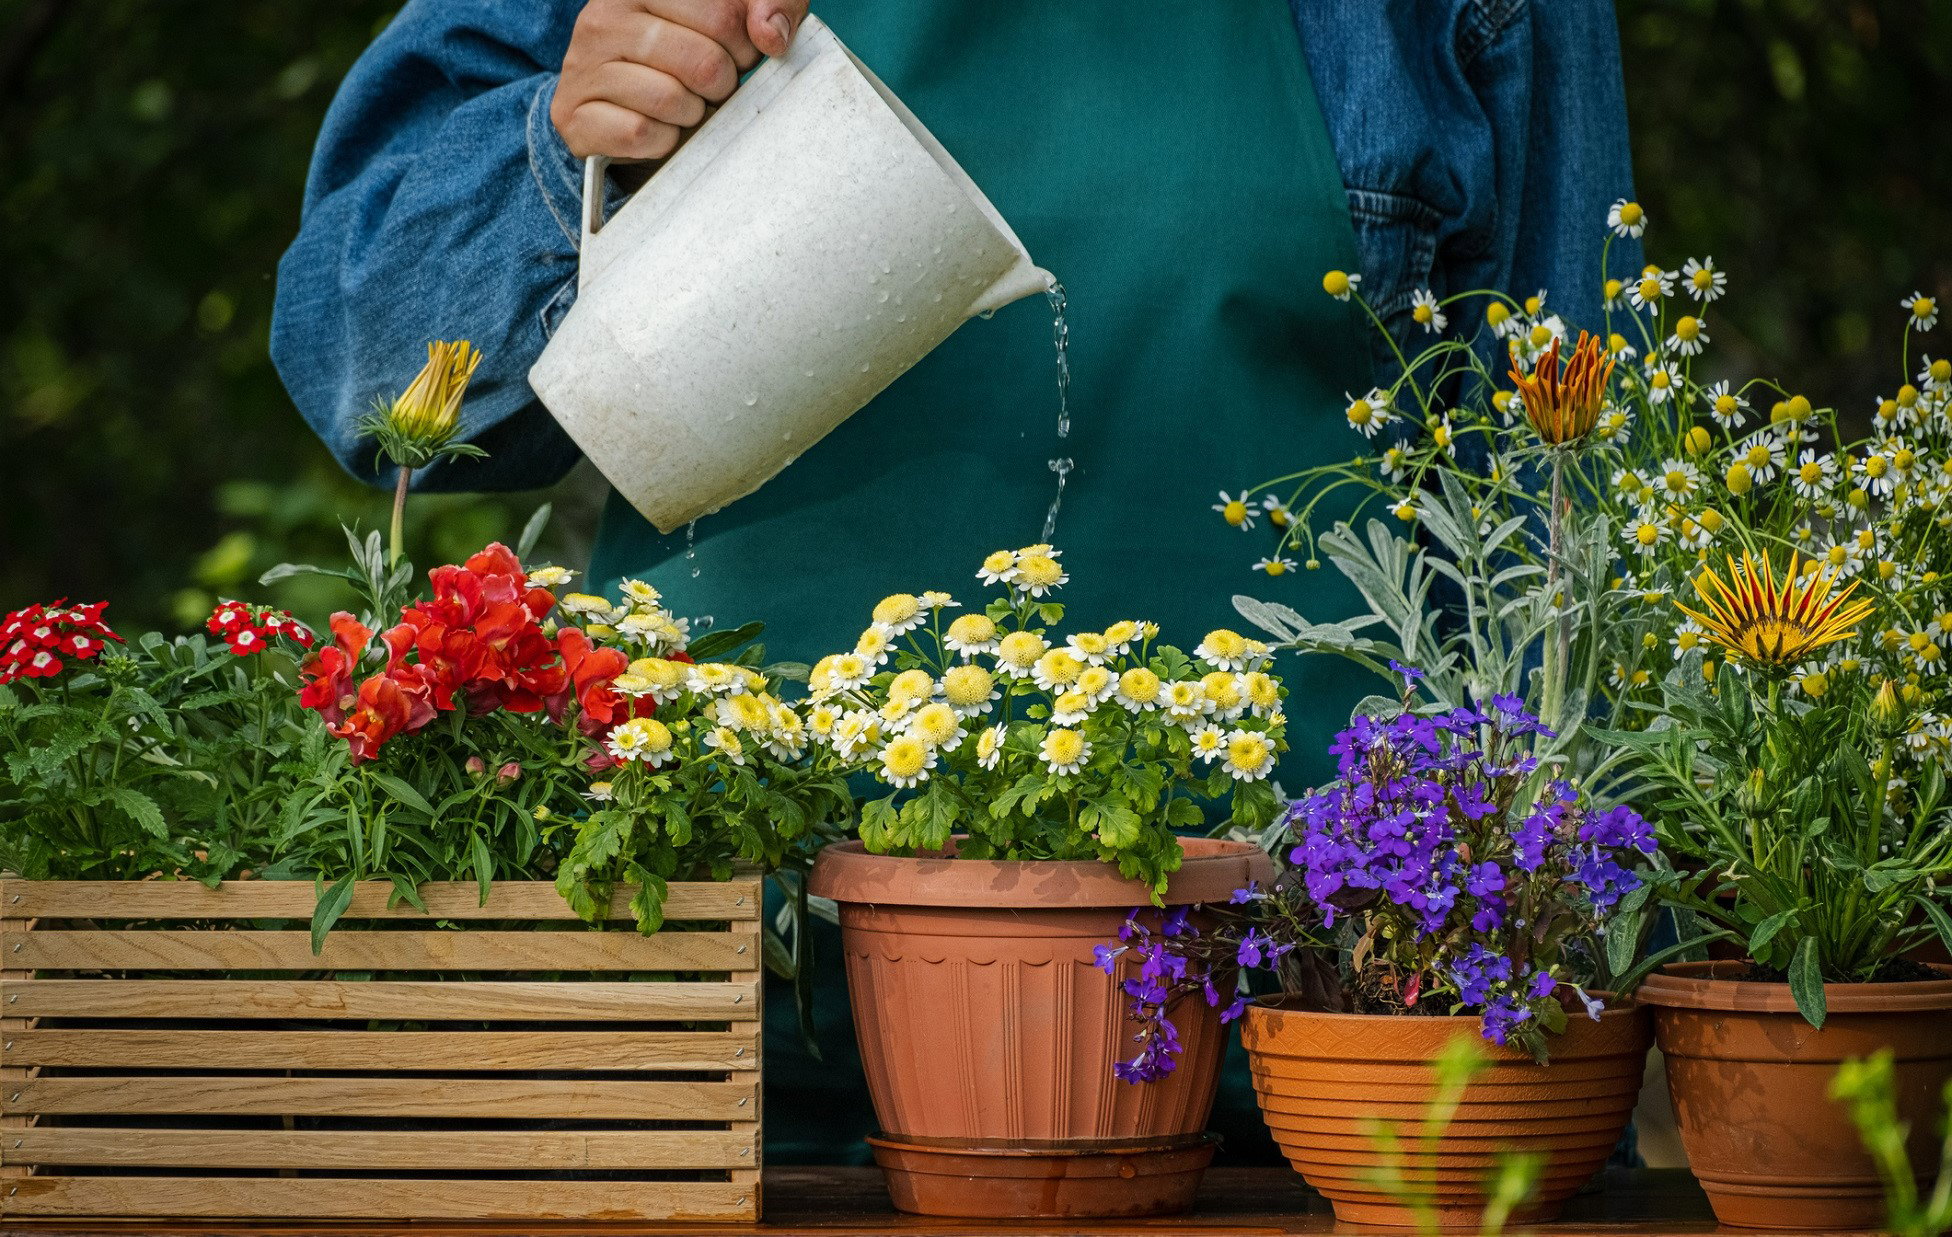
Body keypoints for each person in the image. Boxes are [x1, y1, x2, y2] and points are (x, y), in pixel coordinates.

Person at [273, 0, 1643, 1165]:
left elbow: (1559, 528)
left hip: (1294, 1090)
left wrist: (1509, 988)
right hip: (719, 1071)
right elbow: (354, 339)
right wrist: (574, 151)